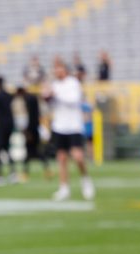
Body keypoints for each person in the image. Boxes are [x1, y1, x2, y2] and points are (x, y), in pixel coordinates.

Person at [42, 61, 95, 201]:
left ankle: (85, 179)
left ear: (65, 70)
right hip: (60, 126)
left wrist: (55, 94)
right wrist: (48, 98)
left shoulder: (73, 83)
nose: (57, 72)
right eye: (56, 69)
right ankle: (64, 188)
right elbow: (52, 105)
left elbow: (73, 100)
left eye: (59, 69)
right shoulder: (55, 85)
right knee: (62, 158)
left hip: (74, 125)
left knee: (78, 156)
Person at [15, 87, 50, 179]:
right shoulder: (32, 99)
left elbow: (31, 117)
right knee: (36, 152)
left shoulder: (29, 100)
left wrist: (28, 132)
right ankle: (46, 170)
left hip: (32, 130)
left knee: (30, 152)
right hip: (35, 129)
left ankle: (25, 173)